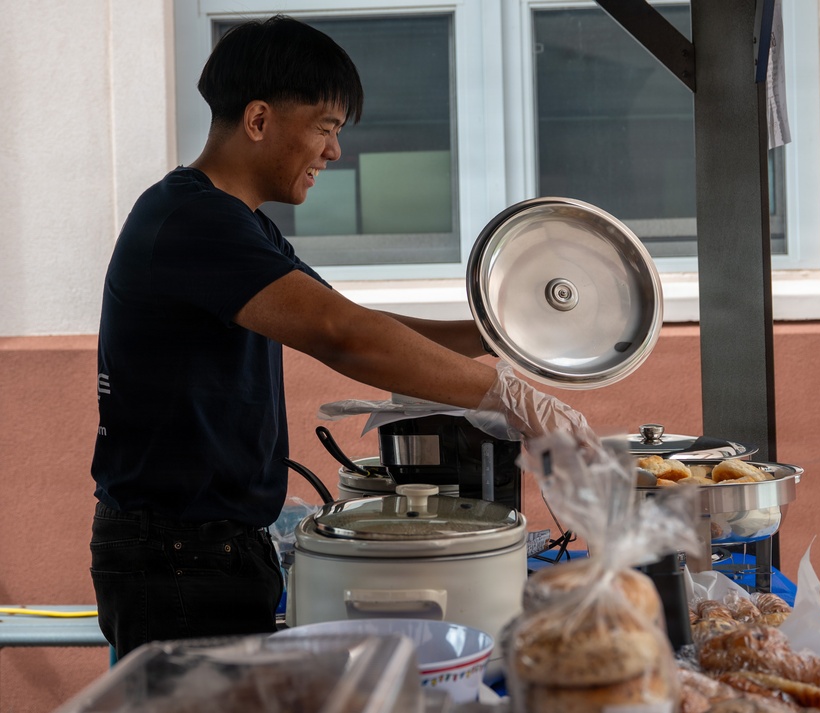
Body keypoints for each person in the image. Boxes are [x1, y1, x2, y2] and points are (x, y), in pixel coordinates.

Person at [89, 15, 593, 660]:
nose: (334, 152)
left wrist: (503, 333)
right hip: (179, 556)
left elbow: (357, 320)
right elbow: (343, 336)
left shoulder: (238, 225)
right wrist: (508, 396)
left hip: (209, 545)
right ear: (260, 119)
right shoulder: (192, 221)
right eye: (325, 128)